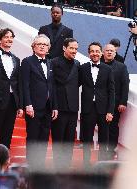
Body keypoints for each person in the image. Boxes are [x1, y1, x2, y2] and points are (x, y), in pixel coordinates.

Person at [21, 34, 58, 169]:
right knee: (33, 137)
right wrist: (28, 104)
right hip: (34, 107)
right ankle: (31, 165)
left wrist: (55, 106)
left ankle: (40, 166)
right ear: (33, 46)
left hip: (48, 107)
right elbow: (24, 84)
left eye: (45, 45)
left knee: (43, 138)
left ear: (48, 48)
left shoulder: (49, 63)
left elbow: (52, 86)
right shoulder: (27, 61)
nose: (42, 46)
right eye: (39, 44)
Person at [79, 42, 115, 167]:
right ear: (89, 53)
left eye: (97, 51)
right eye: (92, 51)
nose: (95, 53)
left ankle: (102, 164)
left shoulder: (108, 69)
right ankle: (86, 165)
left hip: (104, 110)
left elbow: (111, 91)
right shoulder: (82, 68)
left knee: (104, 138)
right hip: (88, 109)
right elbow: (74, 85)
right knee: (87, 138)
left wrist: (110, 111)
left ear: (101, 53)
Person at [0, 28, 23, 149]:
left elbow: (17, 83)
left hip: (12, 100)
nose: (9, 39)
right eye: (6, 37)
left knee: (8, 132)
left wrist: (20, 105)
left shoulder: (16, 59)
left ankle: (4, 158)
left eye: (11, 37)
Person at [51, 38, 80, 170]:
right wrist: (54, 106)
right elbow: (51, 85)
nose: (74, 51)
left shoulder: (77, 64)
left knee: (69, 141)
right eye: (72, 48)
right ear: (64, 48)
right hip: (59, 107)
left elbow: (77, 83)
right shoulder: (54, 62)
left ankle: (66, 168)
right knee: (58, 140)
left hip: (73, 108)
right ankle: (57, 167)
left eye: (76, 49)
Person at [103, 44, 129, 159]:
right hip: (99, 103)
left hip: (115, 103)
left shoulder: (121, 67)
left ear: (115, 53)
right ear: (103, 52)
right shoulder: (98, 65)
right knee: (102, 126)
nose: (109, 52)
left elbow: (125, 85)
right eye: (107, 50)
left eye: (112, 51)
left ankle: (111, 150)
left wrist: (123, 102)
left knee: (113, 127)